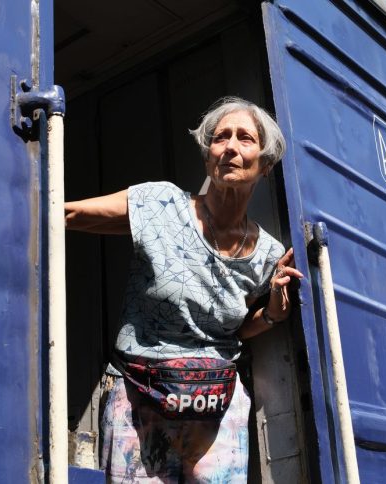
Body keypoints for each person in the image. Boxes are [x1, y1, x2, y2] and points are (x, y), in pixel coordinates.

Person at [64, 96, 303, 483]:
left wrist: (275, 310)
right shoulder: (161, 205)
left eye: (244, 138)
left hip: (214, 408)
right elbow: (69, 214)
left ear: (266, 163)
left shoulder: (269, 255)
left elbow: (239, 329)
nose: (229, 147)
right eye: (220, 137)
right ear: (208, 156)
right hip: (140, 398)